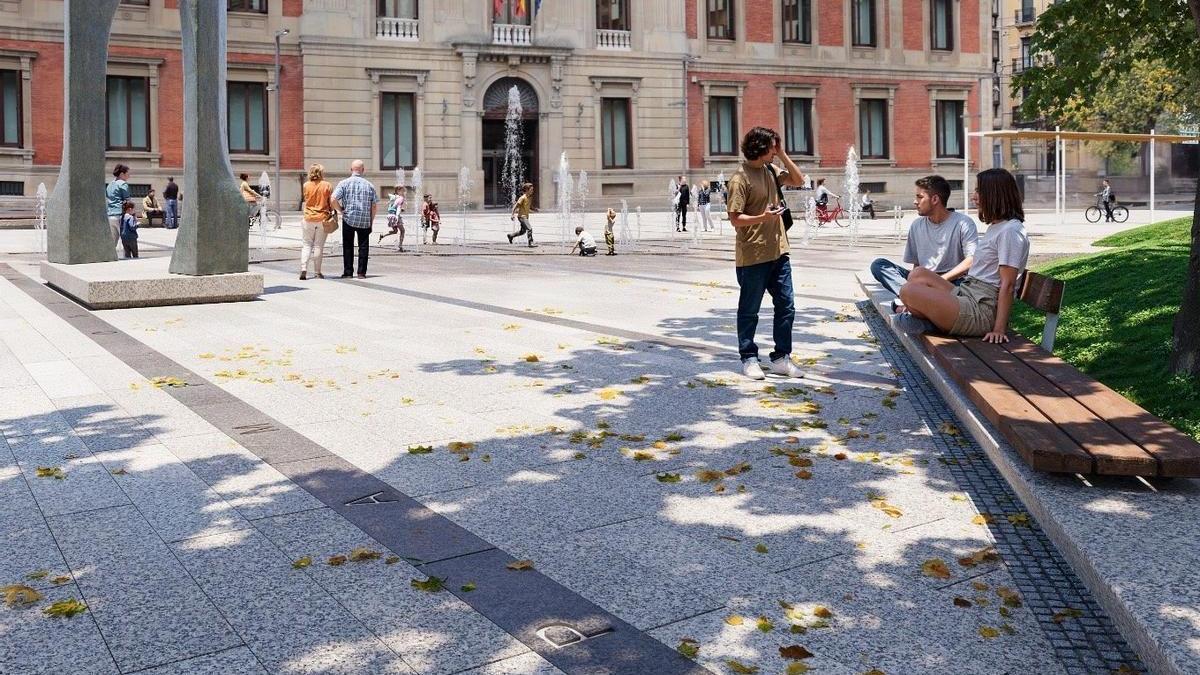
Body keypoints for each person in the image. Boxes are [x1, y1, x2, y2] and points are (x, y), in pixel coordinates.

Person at [899, 168, 1030, 342]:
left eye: (978, 191)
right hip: (968, 293)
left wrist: (999, 329)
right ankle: (930, 319)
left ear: (994, 194)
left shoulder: (1011, 231)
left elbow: (1008, 284)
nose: (974, 196)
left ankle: (931, 321)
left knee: (908, 291)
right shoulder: (998, 226)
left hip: (981, 310)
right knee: (918, 274)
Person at [728, 126, 807, 380]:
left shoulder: (771, 170)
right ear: (760, 149)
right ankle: (749, 357)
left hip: (779, 251)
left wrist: (783, 154)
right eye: (773, 147)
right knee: (749, 309)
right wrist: (763, 217)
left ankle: (781, 357)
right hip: (753, 254)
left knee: (786, 305)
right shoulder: (740, 178)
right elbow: (735, 219)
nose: (775, 151)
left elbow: (799, 180)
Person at [870, 175, 978, 313]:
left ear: (935, 199)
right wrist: (917, 284)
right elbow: (916, 265)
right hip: (921, 280)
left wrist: (937, 280)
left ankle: (912, 302)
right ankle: (913, 298)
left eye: (920, 197)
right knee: (879, 265)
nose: (915, 202)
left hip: (951, 282)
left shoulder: (963, 223)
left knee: (963, 288)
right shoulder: (916, 225)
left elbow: (971, 260)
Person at [331, 160, 379, 279]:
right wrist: (371, 221)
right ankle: (361, 273)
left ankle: (348, 272)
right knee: (363, 246)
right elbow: (374, 206)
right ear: (363, 170)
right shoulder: (369, 185)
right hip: (364, 220)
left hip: (348, 218)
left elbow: (333, 198)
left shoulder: (344, 183)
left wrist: (340, 211)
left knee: (348, 245)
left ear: (351, 169)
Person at [300, 163, 333, 280]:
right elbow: (331, 202)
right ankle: (317, 272)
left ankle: (303, 268)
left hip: (308, 218)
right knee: (318, 246)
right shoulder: (327, 185)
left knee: (306, 244)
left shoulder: (306, 185)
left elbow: (306, 200)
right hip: (322, 218)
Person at [105, 164, 131, 248]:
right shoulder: (123, 184)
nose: (129, 175)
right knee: (126, 238)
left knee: (113, 239)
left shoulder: (110, 185)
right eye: (127, 173)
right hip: (120, 214)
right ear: (122, 174)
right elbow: (127, 201)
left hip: (110, 214)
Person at [506, 183, 536, 247]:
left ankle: (511, 236)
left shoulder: (529, 198)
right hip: (522, 217)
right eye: (531, 190)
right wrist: (512, 214)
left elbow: (526, 207)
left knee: (522, 231)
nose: (532, 191)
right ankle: (530, 243)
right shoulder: (522, 198)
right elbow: (515, 206)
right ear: (527, 190)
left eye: (532, 190)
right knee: (529, 228)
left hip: (525, 217)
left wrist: (533, 210)